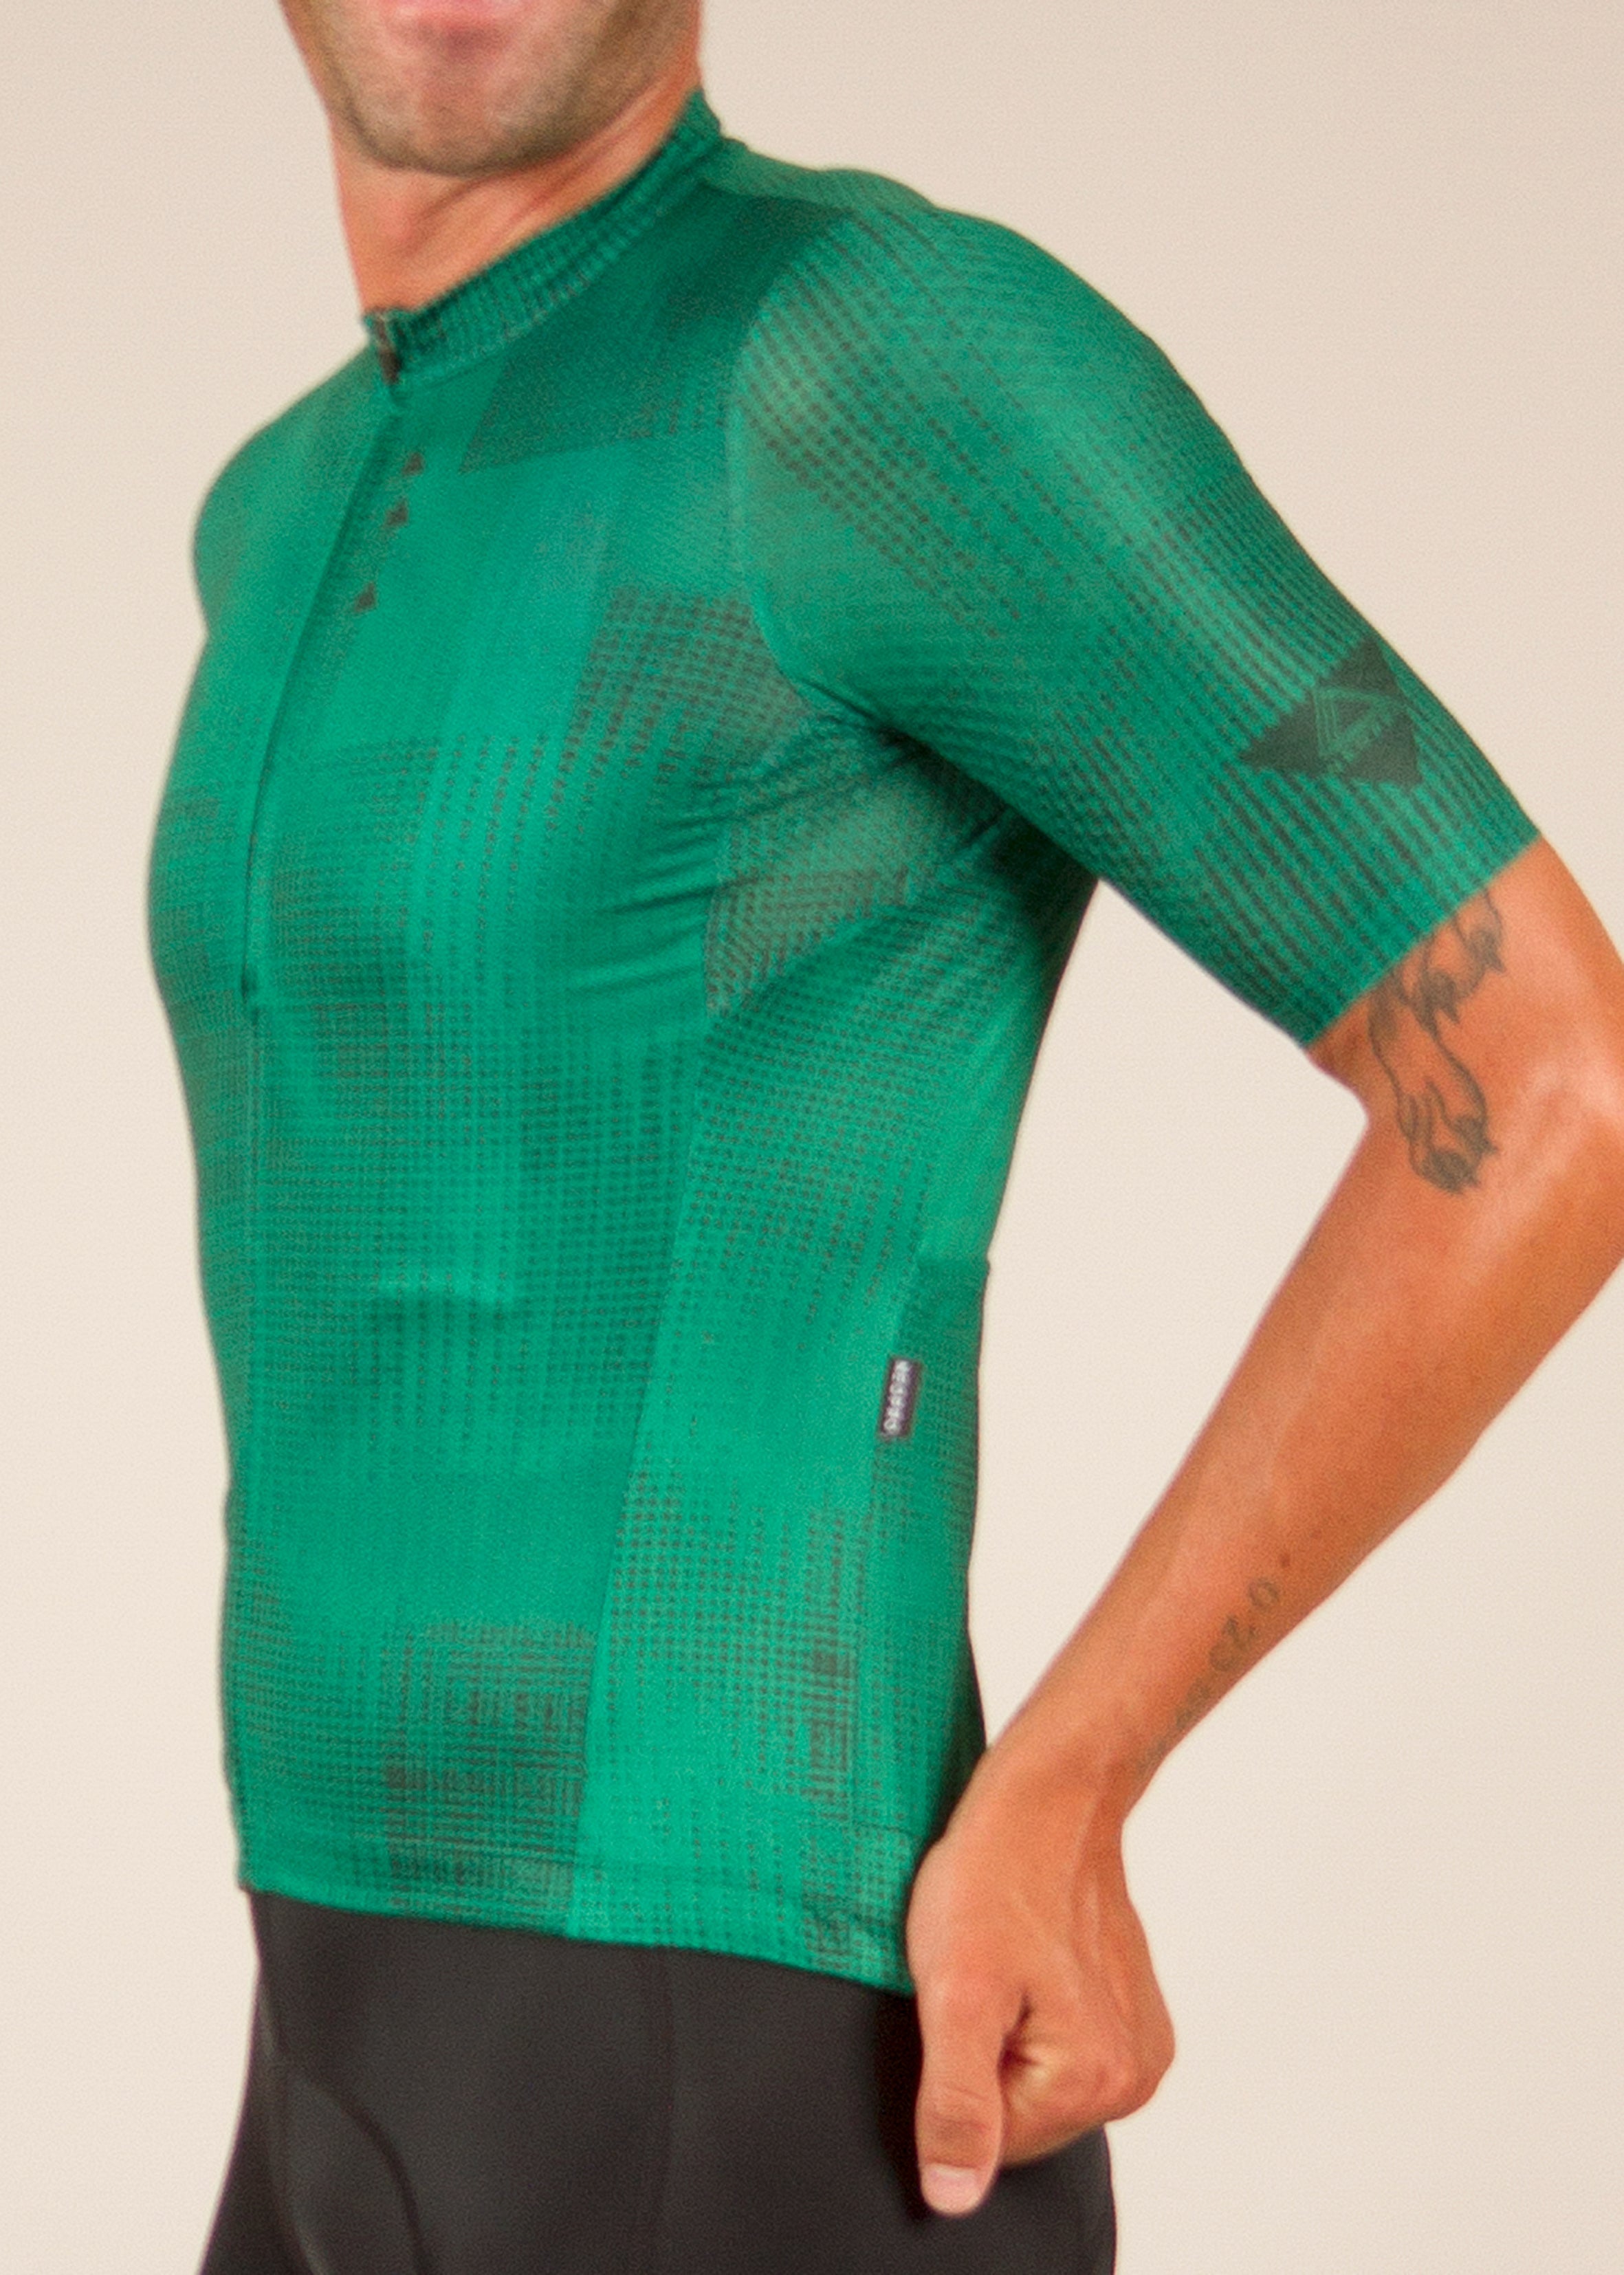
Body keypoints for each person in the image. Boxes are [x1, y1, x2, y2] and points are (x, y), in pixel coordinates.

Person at [147, 1, 1624, 2268]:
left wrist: (1075, 1781)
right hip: (337, 1998)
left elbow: (1547, 1081)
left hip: (729, 2035)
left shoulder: (875, 363)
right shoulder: (275, 501)